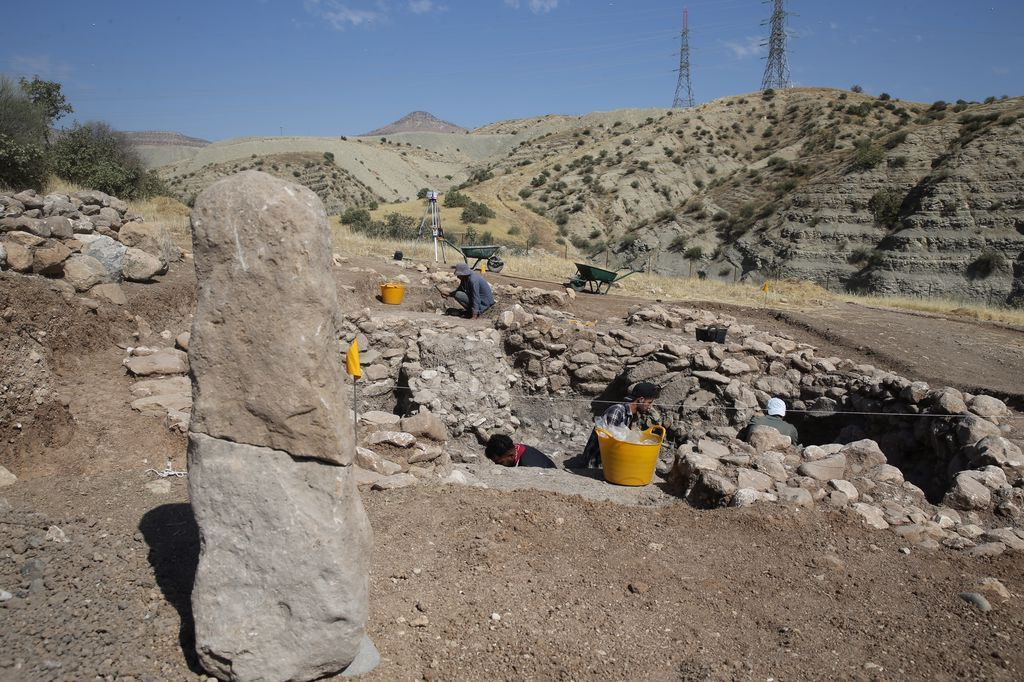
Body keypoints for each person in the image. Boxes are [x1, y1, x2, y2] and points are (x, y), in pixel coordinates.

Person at [567, 382, 660, 469]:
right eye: (649, 402)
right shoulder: (617, 411)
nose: (650, 407)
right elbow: (609, 441)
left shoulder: (632, 415)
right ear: (641, 399)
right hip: (596, 462)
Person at [484, 434, 556, 468]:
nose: (497, 466)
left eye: (500, 462)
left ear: (511, 456)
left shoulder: (529, 466)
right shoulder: (515, 448)